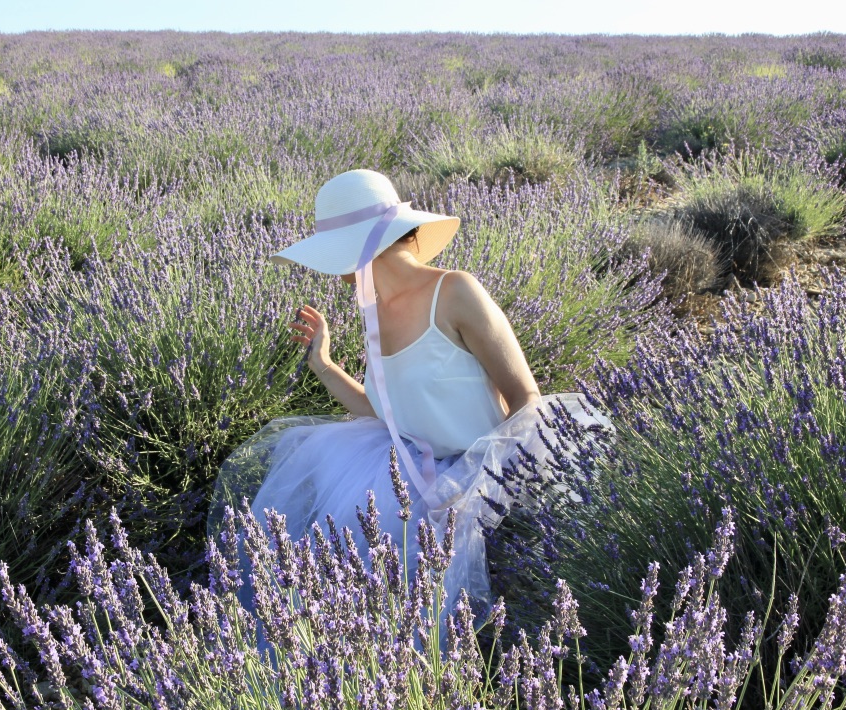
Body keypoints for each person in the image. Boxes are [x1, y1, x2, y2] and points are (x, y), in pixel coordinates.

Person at [208, 169, 612, 644]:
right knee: (342, 598)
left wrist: (480, 486)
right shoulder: (373, 314)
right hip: (407, 477)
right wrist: (323, 364)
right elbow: (387, 417)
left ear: (356, 248)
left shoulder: (455, 291)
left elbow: (525, 398)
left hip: (485, 472)